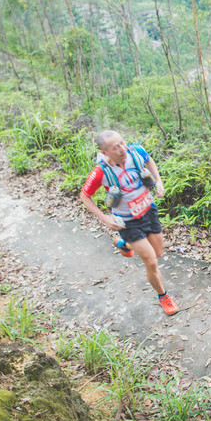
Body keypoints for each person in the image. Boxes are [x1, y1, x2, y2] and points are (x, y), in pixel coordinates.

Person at [78, 130, 179, 316]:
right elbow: (85, 196)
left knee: (159, 252)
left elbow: (149, 161)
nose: (122, 149)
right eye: (116, 148)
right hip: (127, 222)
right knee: (151, 261)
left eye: (122, 143)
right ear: (106, 153)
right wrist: (105, 219)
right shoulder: (100, 172)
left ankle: (124, 244)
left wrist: (158, 182)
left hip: (149, 211)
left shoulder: (135, 151)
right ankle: (163, 296)